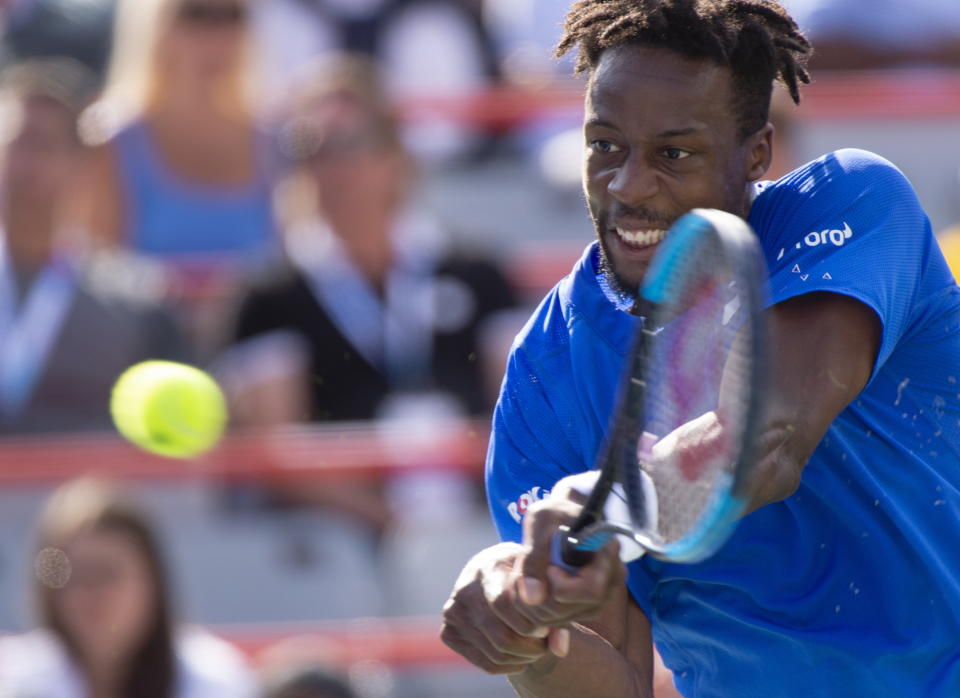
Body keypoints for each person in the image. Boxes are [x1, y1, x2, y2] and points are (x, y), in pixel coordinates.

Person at [440, 1, 960, 697]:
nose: (627, 184)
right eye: (604, 145)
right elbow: (614, 678)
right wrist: (528, 632)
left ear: (756, 154)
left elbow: (766, 440)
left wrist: (601, 505)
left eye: (673, 154)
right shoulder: (544, 371)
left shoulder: (853, 200)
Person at [0, 58, 184, 434]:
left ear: (79, 162)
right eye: (17, 142)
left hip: (90, 488)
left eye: (45, 144)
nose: (26, 163)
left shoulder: (138, 298)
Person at [0, 477, 257, 698]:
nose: (92, 592)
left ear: (153, 579)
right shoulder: (14, 681)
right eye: (72, 575)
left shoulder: (215, 680)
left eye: (108, 573)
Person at [73, 0, 277, 266]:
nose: (216, 33)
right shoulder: (109, 143)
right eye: (196, 14)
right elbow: (94, 273)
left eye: (232, 15)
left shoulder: (275, 143)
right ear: (155, 23)